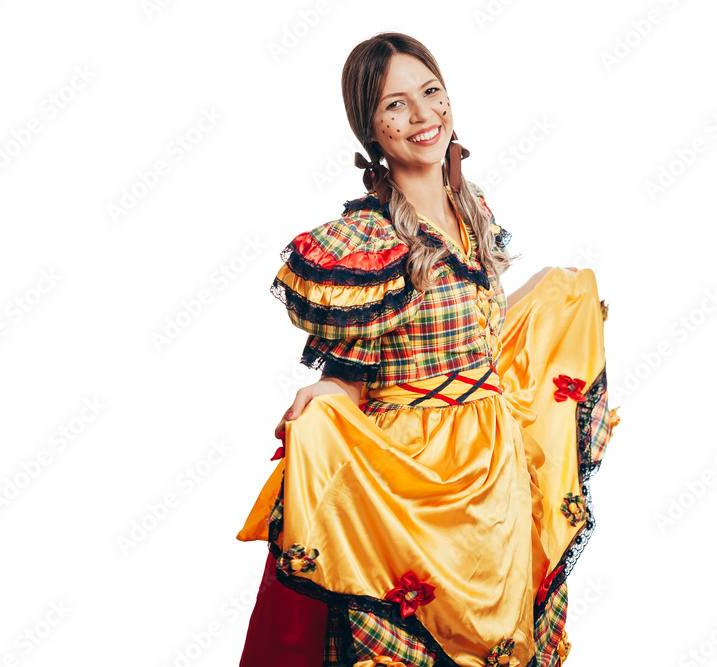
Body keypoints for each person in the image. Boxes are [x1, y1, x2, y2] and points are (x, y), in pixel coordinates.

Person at [235, 32, 619, 667]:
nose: (422, 115)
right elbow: (352, 374)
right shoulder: (368, 237)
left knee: (498, 641)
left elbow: (478, 330)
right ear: (369, 128)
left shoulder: (472, 210)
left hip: (493, 472)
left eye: (431, 92)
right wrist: (326, 394)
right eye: (395, 105)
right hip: (416, 483)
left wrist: (557, 301)